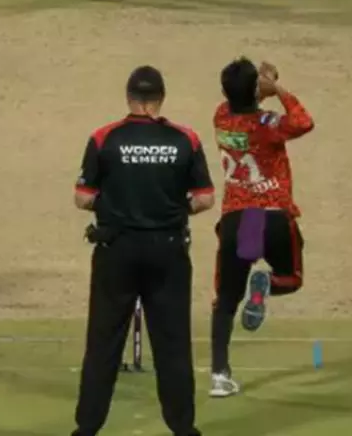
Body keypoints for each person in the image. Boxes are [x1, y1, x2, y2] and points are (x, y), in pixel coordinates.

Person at [71, 66, 215, 436]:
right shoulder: (185, 139)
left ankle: (86, 430)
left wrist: (115, 202)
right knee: (173, 346)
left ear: (129, 98)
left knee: (103, 344)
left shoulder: (105, 138)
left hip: (116, 250)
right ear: (161, 99)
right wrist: (171, 207)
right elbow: (205, 199)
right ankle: (183, 429)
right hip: (167, 252)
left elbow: (82, 198)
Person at [207, 59, 314, 398]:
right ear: (257, 91)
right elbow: (302, 122)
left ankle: (220, 376)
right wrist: (277, 88)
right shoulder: (269, 124)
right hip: (272, 214)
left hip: (241, 219)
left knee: (225, 301)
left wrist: (258, 87)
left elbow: (245, 112)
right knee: (291, 279)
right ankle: (267, 284)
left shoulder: (221, 118)